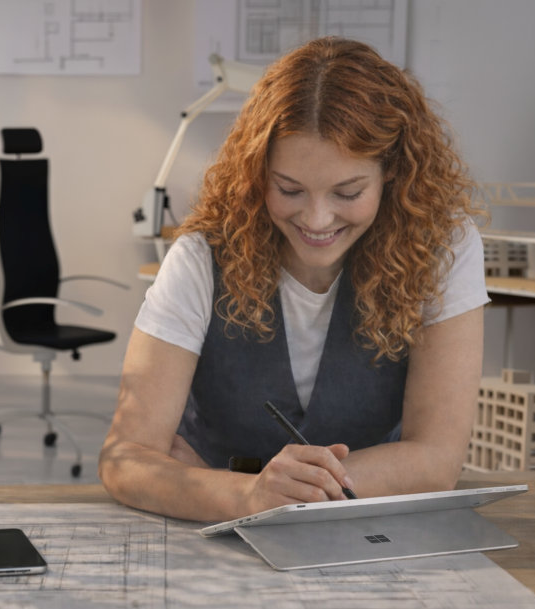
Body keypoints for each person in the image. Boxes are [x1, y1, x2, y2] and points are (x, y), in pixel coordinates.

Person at [98, 37, 488, 523]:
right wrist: (246, 497)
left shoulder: (444, 247)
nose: (318, 219)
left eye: (348, 191)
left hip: (367, 530)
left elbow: (436, 460)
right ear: (257, 173)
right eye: (289, 189)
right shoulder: (201, 257)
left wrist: (288, 493)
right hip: (213, 533)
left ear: (392, 172)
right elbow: (124, 459)